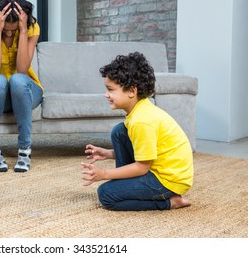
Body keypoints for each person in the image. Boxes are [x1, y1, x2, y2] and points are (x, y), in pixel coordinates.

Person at [81, 52, 193, 211]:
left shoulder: (142, 121)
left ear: (132, 91)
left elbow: (142, 167)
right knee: (119, 131)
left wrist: (105, 173)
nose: (106, 94)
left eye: (111, 90)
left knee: (106, 194)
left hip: (168, 181)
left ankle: (170, 202)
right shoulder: (140, 110)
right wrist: (108, 154)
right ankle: (126, 183)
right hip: (159, 167)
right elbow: (145, 150)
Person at [0, 0, 43, 173]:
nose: (9, 32)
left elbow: (22, 69)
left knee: (17, 79)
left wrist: (22, 31)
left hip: (26, 91)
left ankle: (24, 150)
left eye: (12, 30)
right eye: (6, 28)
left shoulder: (30, 28)